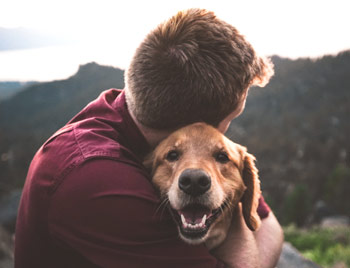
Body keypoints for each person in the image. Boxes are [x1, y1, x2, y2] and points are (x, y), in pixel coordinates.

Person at [15, 8, 283, 268]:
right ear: (196, 126)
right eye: (232, 117)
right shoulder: (98, 181)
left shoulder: (131, 110)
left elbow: (269, 224)